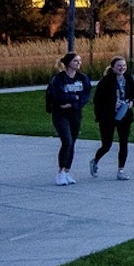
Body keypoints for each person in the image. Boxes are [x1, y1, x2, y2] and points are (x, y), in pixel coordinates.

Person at [44, 53, 92, 186]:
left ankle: (67, 171)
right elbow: (58, 97)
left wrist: (72, 102)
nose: (78, 63)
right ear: (68, 63)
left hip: (75, 113)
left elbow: (85, 96)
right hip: (60, 114)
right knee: (67, 141)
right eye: (75, 61)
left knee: (73, 142)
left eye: (80, 61)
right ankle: (60, 172)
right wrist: (73, 98)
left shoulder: (82, 78)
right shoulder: (58, 79)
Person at [90, 55, 134, 180]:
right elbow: (97, 100)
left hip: (125, 115)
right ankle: (95, 161)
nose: (122, 68)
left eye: (124, 66)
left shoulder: (128, 79)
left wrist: (131, 103)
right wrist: (112, 104)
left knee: (124, 142)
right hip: (108, 117)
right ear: (113, 68)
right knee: (107, 145)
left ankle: (121, 170)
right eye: (119, 66)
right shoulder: (106, 81)